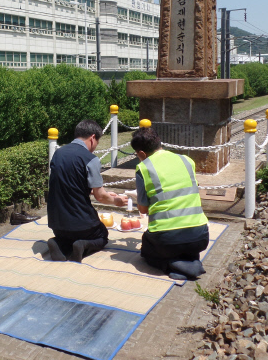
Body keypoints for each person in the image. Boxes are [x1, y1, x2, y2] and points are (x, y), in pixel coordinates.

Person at [131, 127, 209, 281]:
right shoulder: (187, 160)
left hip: (167, 239)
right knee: (184, 246)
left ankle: (176, 266)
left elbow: (144, 209)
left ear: (141, 154)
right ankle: (191, 261)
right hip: (200, 236)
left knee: (146, 250)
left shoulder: (144, 167)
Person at [46, 119, 128, 263]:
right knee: (102, 235)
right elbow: (101, 197)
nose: (95, 147)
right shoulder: (90, 159)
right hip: (81, 224)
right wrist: (116, 201)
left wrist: (98, 192)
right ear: (92, 138)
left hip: (56, 223)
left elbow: (68, 184)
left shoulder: (58, 154)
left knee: (66, 236)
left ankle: (59, 243)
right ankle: (83, 245)